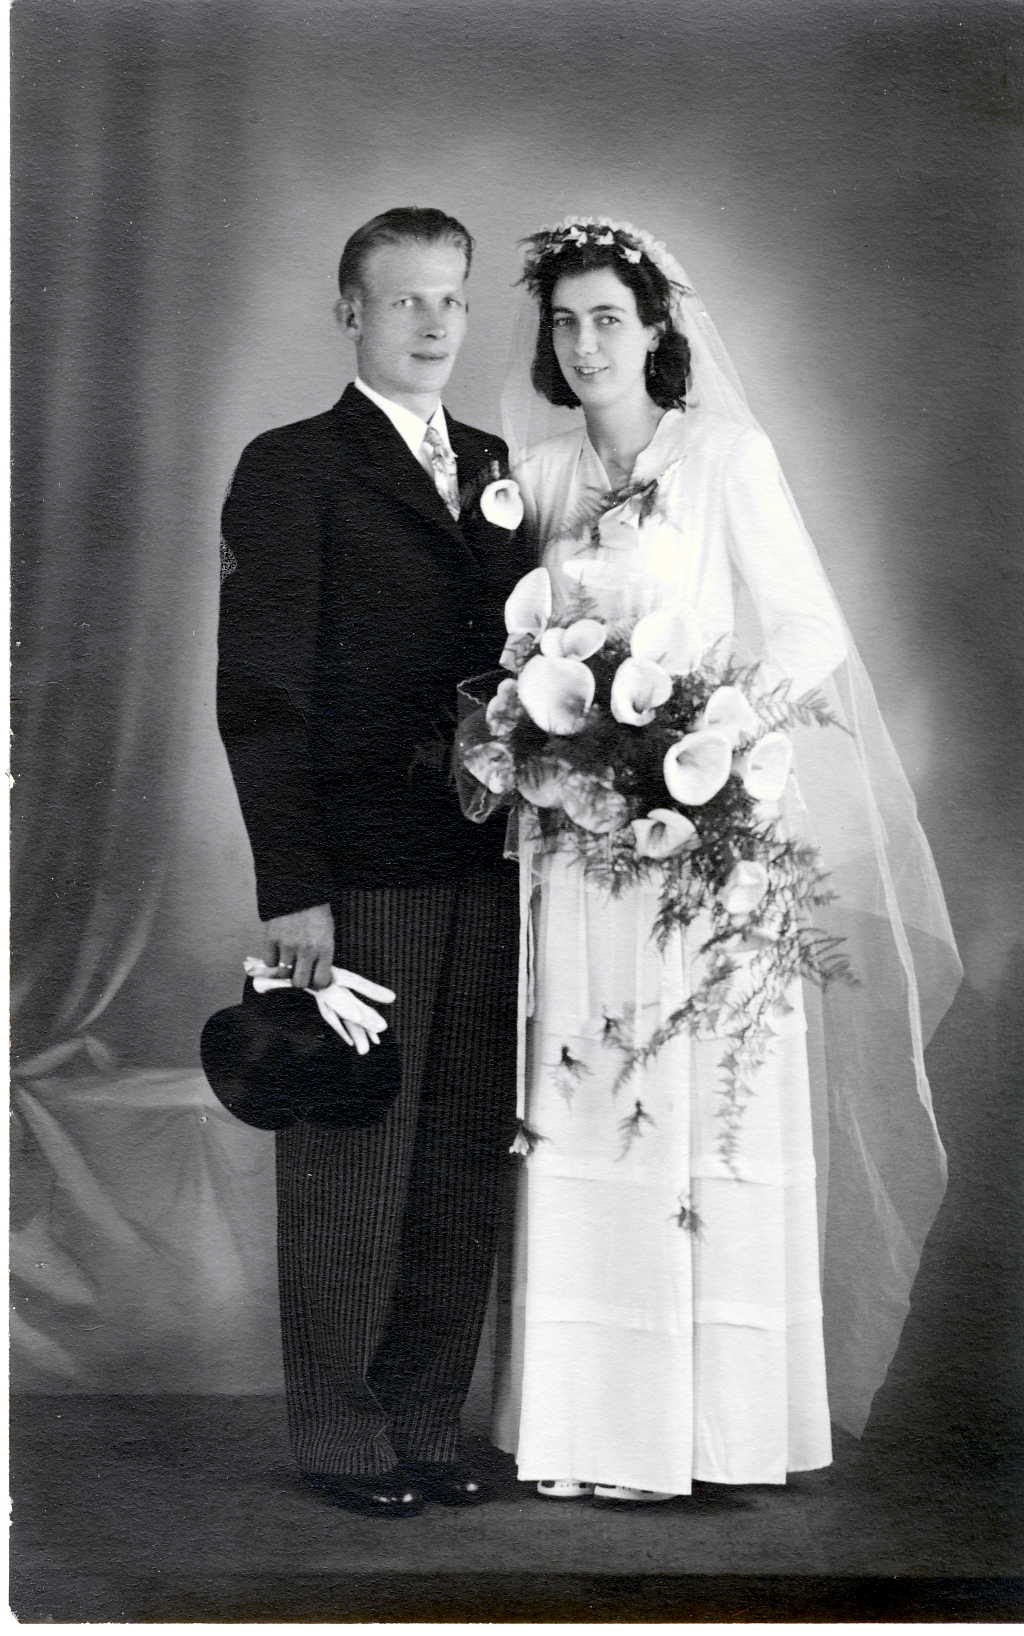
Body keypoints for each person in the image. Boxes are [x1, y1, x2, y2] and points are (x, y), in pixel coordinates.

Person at [490, 217, 962, 1503]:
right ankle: (591, 1435)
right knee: (593, 1098)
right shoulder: (536, 473)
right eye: (565, 322)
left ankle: (709, 1436)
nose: (586, 345)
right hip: (580, 848)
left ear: (655, 328)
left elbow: (808, 629)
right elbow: (509, 646)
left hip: (699, 840)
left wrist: (715, 727)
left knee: (698, 1110)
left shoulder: (722, 455)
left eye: (609, 318)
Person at [217, 207, 526, 1517]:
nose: (434, 324)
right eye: (405, 300)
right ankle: (343, 1438)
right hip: (360, 873)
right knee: (357, 1151)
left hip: (491, 868)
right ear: (351, 313)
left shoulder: (497, 463)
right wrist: (294, 892)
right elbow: (262, 697)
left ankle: (425, 1422)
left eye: (451, 298)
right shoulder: (292, 467)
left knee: (461, 1150)